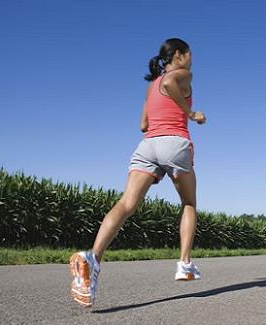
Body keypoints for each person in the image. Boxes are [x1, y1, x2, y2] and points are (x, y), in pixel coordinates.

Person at [69, 38, 207, 307]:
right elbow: (170, 84)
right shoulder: (181, 75)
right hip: (174, 142)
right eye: (189, 55)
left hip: (148, 146)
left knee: (126, 204)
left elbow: (144, 124)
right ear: (178, 55)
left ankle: (93, 258)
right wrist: (191, 114)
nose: (191, 60)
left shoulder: (150, 86)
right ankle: (184, 264)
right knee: (189, 203)